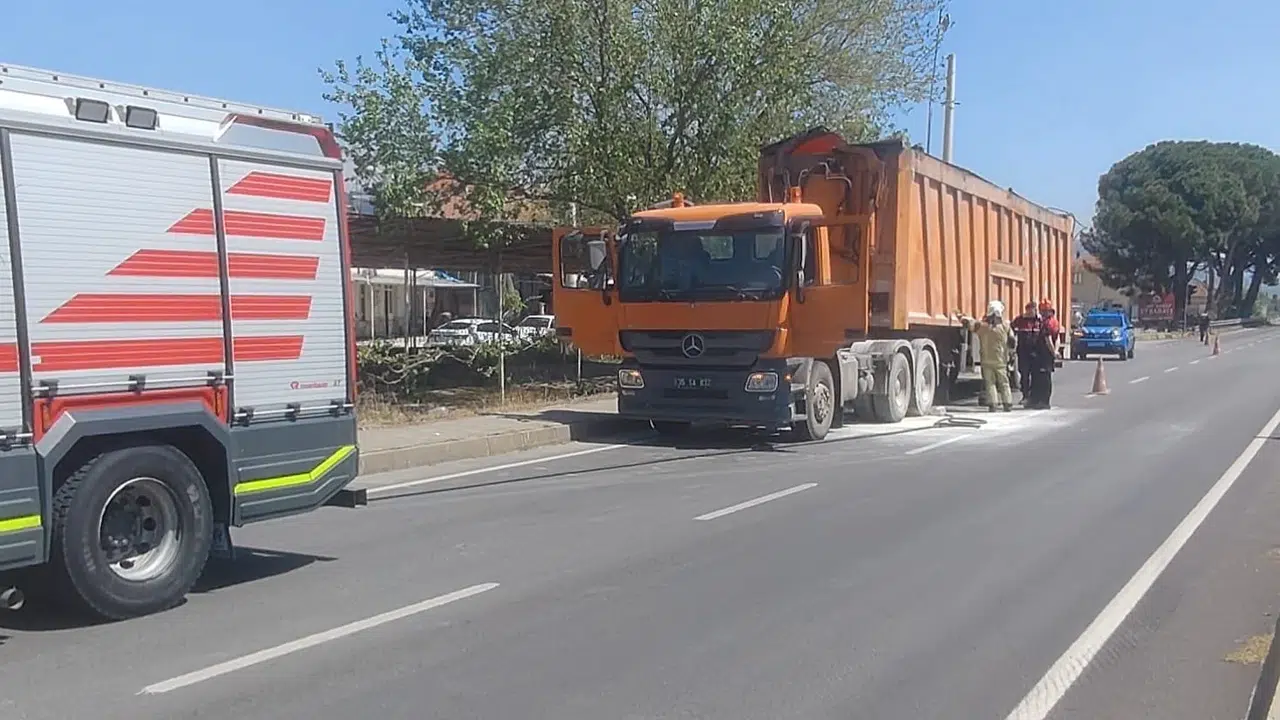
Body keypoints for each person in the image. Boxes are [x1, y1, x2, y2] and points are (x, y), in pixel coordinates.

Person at [960, 300, 1015, 412]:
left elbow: (969, 324)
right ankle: (1007, 403)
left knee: (990, 383)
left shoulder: (982, 327)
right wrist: (1011, 354)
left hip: (986, 361)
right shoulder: (1005, 326)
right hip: (1001, 360)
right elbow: (1012, 341)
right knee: (1004, 382)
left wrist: (961, 316)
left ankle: (993, 404)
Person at [1027, 299, 1060, 409]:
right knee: (1041, 377)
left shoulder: (1047, 323)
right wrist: (1055, 351)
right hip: (1046, 355)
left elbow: (1048, 339)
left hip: (1043, 354)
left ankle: (1043, 401)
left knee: (1043, 379)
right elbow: (1057, 338)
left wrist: (1053, 352)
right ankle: (1037, 400)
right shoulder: (1054, 322)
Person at [1010, 301, 1043, 404]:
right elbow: (1010, 330)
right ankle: (1025, 395)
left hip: (1036, 352)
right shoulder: (1020, 320)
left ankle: (1034, 396)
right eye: (1031, 310)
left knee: (1035, 375)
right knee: (1024, 374)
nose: (1033, 312)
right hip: (1023, 352)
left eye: (1035, 310)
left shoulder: (1039, 320)